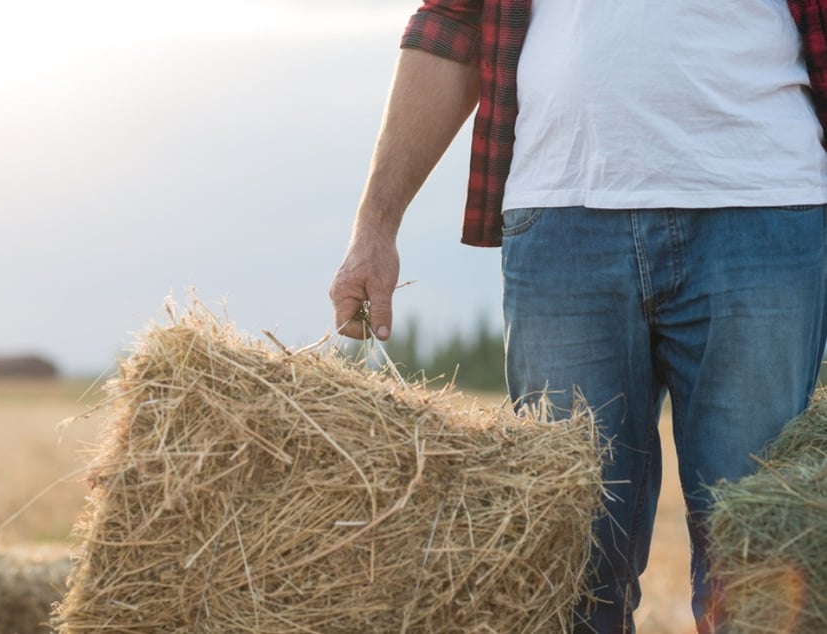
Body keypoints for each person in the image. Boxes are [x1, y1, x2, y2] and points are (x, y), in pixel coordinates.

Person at [329, 1, 827, 632]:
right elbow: (452, 21)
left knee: (762, 573)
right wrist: (375, 227)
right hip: (562, 215)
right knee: (565, 576)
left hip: (762, 203)